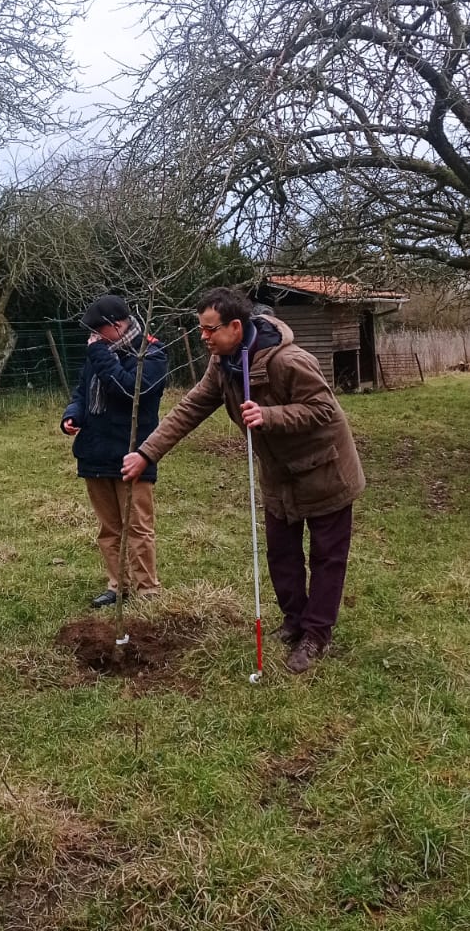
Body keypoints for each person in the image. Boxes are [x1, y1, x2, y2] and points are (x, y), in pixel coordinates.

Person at [122, 287, 365, 673]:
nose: (203, 337)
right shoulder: (223, 364)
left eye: (210, 329)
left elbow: (323, 408)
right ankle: (294, 621)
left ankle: (317, 635)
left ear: (235, 326)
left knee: (326, 557)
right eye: (200, 329)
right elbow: (190, 407)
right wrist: (147, 453)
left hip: (326, 470)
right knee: (281, 554)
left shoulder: (291, 361)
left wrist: (270, 416)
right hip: (279, 475)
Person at [61, 294, 168, 607]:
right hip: (95, 453)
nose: (93, 336)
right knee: (109, 529)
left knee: (137, 527)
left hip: (132, 455)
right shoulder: (99, 353)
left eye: (99, 330)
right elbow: (82, 392)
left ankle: (147, 590)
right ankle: (118, 585)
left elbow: (129, 391)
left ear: (118, 325)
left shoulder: (150, 353)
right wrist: (72, 414)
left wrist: (99, 354)